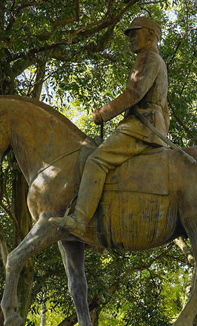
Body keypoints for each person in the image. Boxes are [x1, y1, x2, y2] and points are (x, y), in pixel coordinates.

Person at [49, 15, 169, 234]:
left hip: (142, 124)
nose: (131, 38)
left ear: (151, 34)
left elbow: (134, 93)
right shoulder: (156, 60)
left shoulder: (148, 57)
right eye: (129, 35)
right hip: (151, 124)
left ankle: (80, 220)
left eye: (135, 32)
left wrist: (104, 113)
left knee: (96, 160)